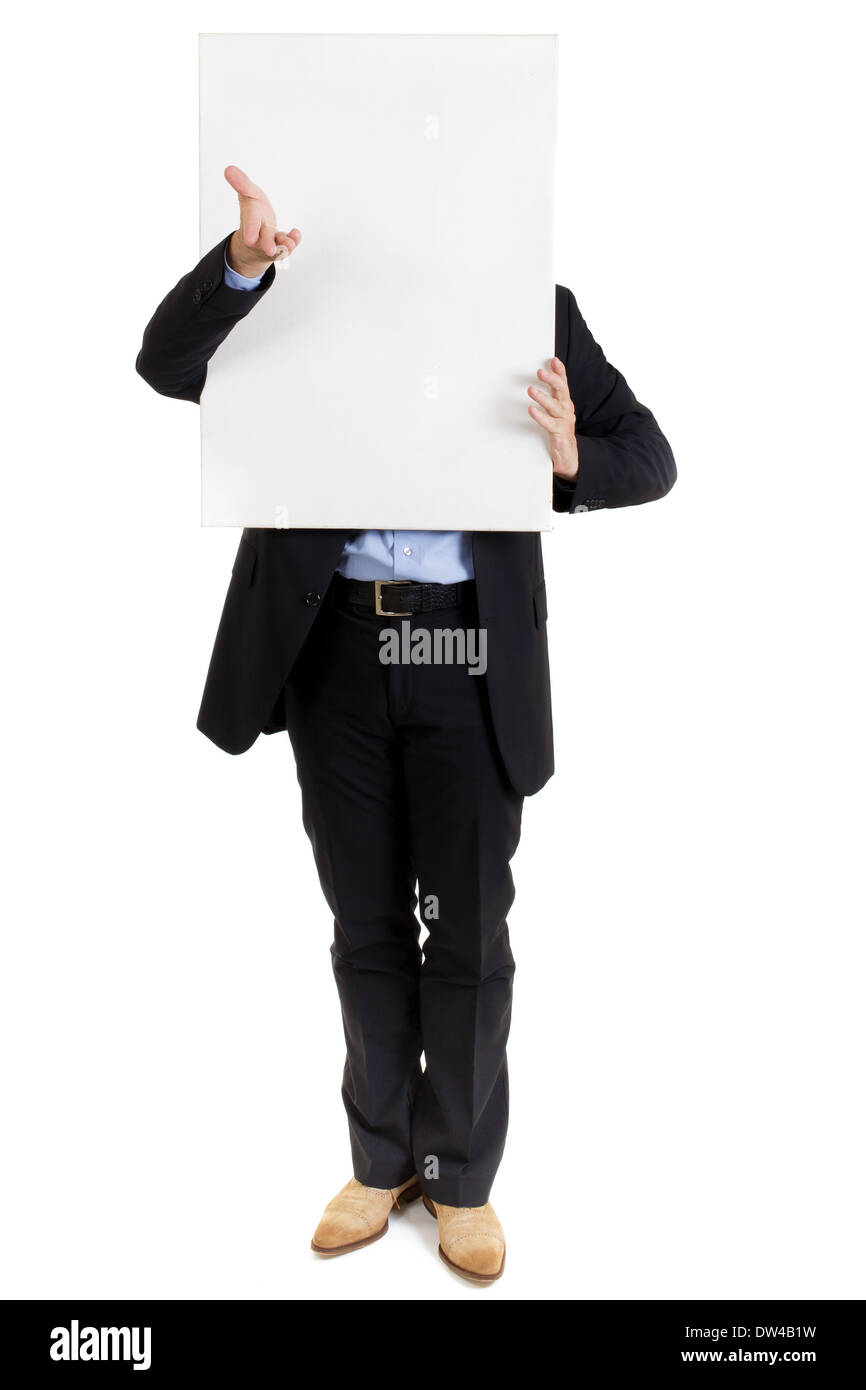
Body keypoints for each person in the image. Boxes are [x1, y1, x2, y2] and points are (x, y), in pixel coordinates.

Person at [136, 164, 676, 1282]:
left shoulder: (530, 307)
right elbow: (165, 365)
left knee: (467, 930)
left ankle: (462, 1179)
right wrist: (239, 269)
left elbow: (651, 455)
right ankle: (380, 1161)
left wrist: (569, 459)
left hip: (463, 650)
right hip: (334, 643)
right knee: (366, 920)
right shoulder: (295, 294)